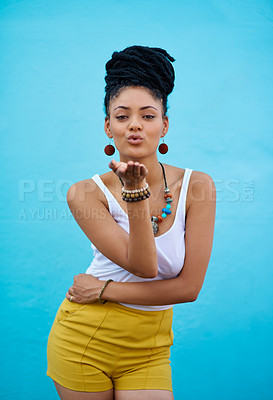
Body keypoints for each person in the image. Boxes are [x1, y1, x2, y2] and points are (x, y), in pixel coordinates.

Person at [46, 45, 216, 400]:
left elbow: (188, 289)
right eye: (122, 116)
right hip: (85, 339)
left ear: (164, 125)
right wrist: (135, 195)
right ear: (109, 127)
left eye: (148, 115)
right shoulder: (84, 194)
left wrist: (103, 290)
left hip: (151, 346)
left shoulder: (197, 186)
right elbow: (143, 266)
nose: (135, 124)